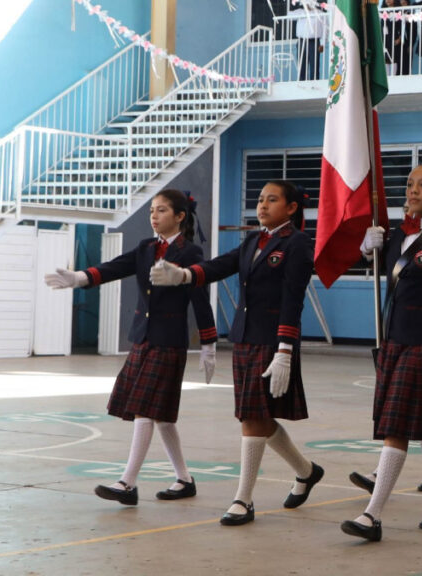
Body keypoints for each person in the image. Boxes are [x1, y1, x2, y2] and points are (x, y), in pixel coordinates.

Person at [149, 180, 323, 526]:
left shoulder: (298, 243)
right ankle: (306, 471)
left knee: (251, 419)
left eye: (272, 200)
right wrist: (184, 274)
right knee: (255, 416)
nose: (262, 205)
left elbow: (293, 298)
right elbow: (218, 267)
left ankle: (243, 499)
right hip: (245, 338)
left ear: (291, 208)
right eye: (260, 199)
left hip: (272, 341)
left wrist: (285, 348)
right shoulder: (253, 241)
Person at [45, 190, 217, 506]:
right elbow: (115, 267)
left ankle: (127, 483)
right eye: (152, 210)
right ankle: (184, 479)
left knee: (145, 408)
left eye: (162, 210)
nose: (154, 216)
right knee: (162, 417)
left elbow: (200, 299)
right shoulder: (146, 248)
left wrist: (208, 343)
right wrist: (80, 277)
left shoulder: (190, 253)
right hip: (143, 337)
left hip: (168, 342)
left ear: (179, 216)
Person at [341, 163, 422, 542]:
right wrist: (369, 251)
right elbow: (386, 276)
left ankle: (372, 514)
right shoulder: (398, 234)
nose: (413, 190)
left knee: (395, 426)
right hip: (394, 340)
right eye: (410, 184)